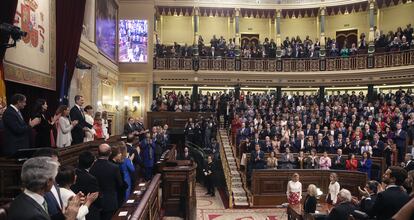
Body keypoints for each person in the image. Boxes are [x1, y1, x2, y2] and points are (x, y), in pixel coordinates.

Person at [89, 144, 125, 220]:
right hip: (111, 201)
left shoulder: (92, 167)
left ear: (98, 153)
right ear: (110, 153)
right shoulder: (114, 167)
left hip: (96, 202)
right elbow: (120, 184)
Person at [71, 151, 100, 220]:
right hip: (88, 211)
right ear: (92, 163)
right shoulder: (91, 179)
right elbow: (94, 196)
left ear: (78, 161)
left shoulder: (72, 172)